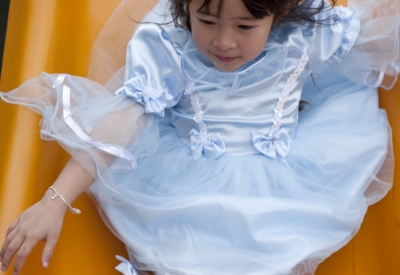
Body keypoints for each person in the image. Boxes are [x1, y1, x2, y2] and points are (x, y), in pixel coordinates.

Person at [0, 0, 399, 274]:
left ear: (279, 14)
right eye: (206, 21)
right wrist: (54, 200)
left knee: (275, 250)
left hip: (283, 186)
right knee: (183, 254)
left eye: (245, 27)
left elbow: (383, 30)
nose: (224, 41)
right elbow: (123, 119)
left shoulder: (303, 33)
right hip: (185, 184)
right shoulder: (168, 43)